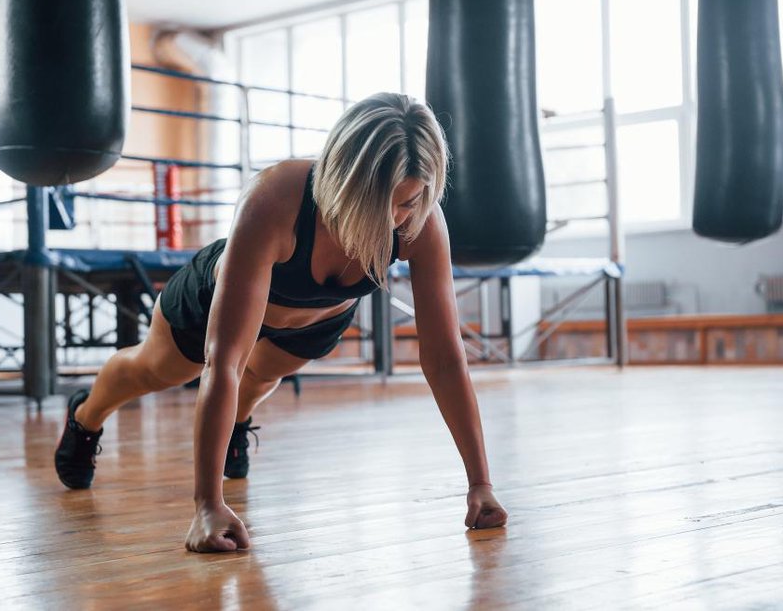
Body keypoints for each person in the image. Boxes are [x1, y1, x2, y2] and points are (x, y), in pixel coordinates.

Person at [54, 92, 509, 553]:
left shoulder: (421, 222)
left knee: (263, 375)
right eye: (382, 205)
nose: (395, 220)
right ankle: (85, 416)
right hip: (221, 297)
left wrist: (480, 483)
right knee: (157, 371)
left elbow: (445, 360)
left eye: (408, 203)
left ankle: (235, 424)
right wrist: (208, 504)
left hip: (314, 321)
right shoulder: (275, 197)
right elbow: (223, 362)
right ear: (347, 183)